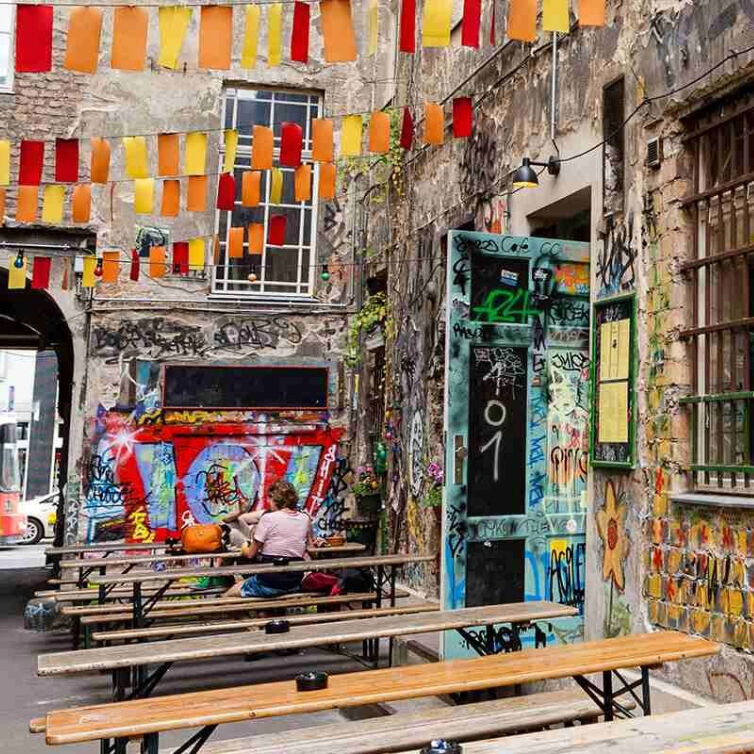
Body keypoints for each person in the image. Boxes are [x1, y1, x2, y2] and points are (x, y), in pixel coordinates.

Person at [224, 479, 315, 598]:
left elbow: (251, 554)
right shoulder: (305, 518)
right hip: (294, 581)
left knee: (228, 595)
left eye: (270, 498)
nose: (268, 501)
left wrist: (244, 547)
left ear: (276, 499)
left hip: (269, 581)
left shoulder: (268, 518)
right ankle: (262, 614)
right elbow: (311, 548)